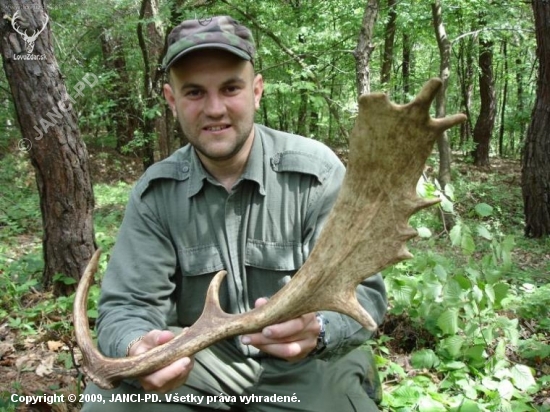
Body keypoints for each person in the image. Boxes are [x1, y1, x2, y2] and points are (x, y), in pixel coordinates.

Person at [82, 15, 387, 412]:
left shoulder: (318, 175)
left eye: (230, 88)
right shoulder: (156, 194)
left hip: (307, 365)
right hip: (201, 363)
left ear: (256, 91)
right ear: (171, 100)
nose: (214, 109)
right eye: (193, 92)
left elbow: (364, 292)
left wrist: (320, 329)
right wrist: (138, 346)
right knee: (109, 405)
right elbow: (127, 306)